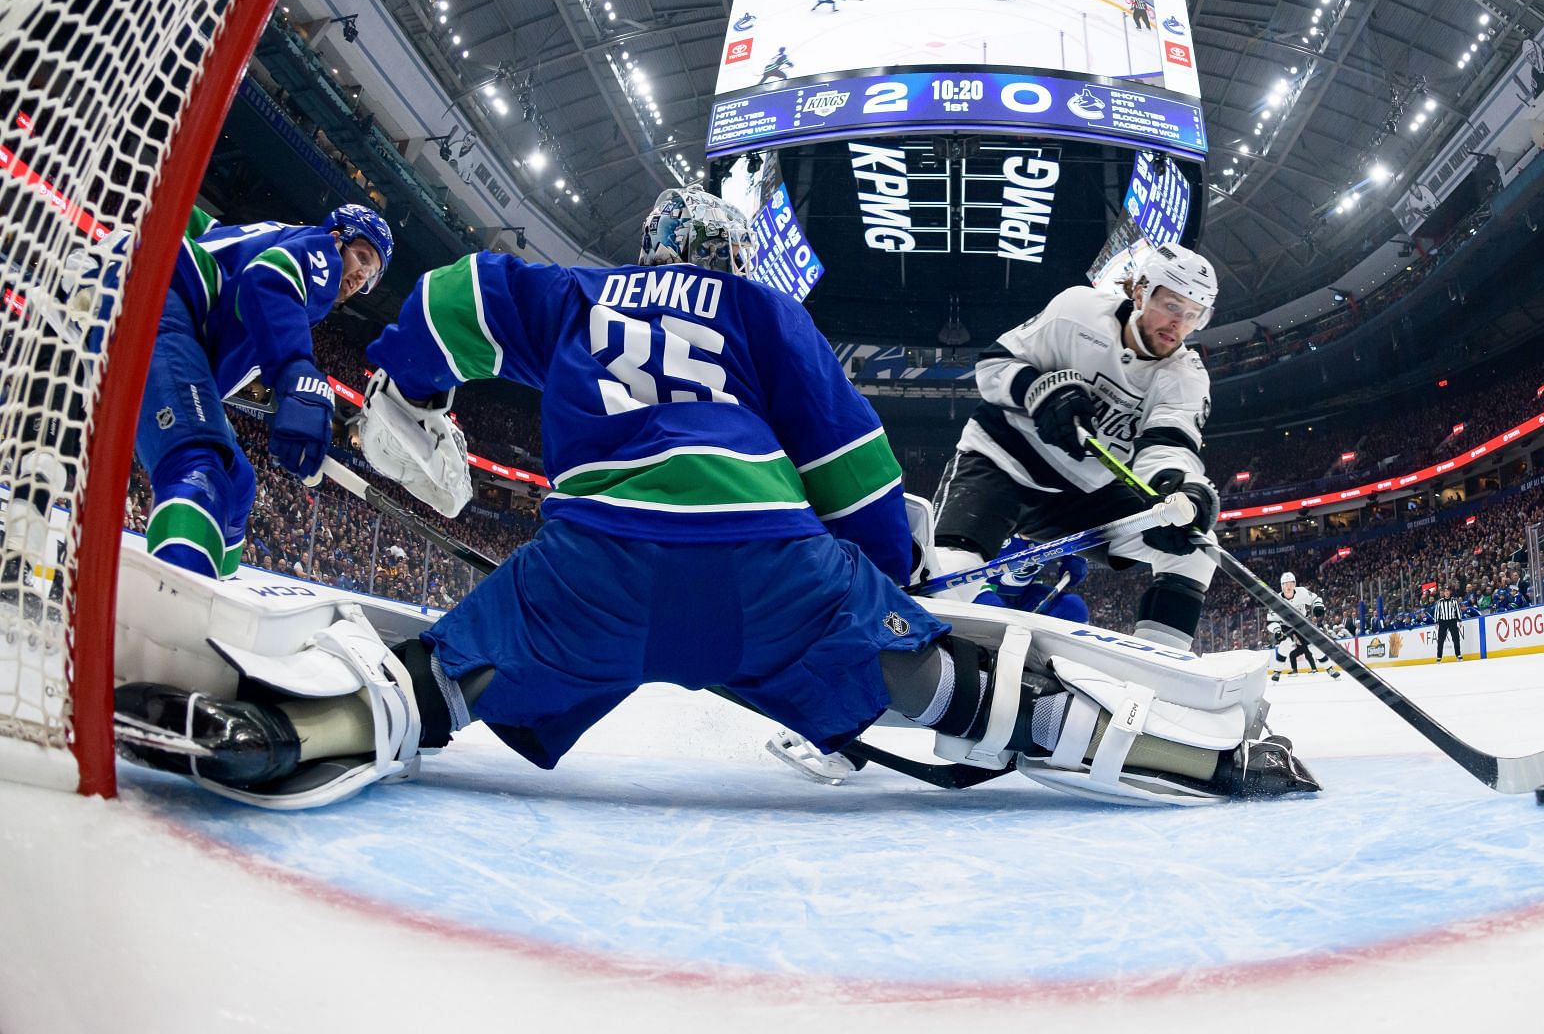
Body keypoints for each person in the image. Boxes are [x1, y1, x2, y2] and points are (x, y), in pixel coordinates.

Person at [116, 192, 1315, 809]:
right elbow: (852, 474)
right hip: (771, 573)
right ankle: (1198, 759)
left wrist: (414, 400)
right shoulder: (760, 313)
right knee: (954, 685)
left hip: (594, 569)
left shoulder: (577, 291)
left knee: (448, 675)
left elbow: (442, 310)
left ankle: (301, 731)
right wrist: (889, 581)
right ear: (732, 259)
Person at [929, 245, 1223, 650]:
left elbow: (1169, 446)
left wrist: (1180, 488)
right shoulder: (1077, 310)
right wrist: (1039, 390)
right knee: (951, 571)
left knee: (1194, 548)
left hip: (1083, 495)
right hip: (1000, 464)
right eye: (1172, 305)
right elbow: (992, 367)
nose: (1179, 324)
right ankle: (943, 664)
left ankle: (1157, 667)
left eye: (1194, 315)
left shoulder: (1185, 376)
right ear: (1139, 291)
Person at [135, 204, 391, 579]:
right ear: (339, 238)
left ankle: (215, 584)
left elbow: (201, 225)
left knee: (238, 481)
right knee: (199, 467)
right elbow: (267, 280)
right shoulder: (322, 250)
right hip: (159, 298)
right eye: (363, 258)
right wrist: (298, 373)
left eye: (370, 276)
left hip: (162, 300)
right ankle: (171, 606)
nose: (359, 278)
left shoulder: (279, 240)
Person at [1266, 571, 1332, 677]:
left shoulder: (1302, 592)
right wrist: (1277, 630)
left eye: (1291, 583)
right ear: (1282, 586)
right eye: (1286, 583)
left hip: (1301, 621)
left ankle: (1329, 668)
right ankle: (1277, 671)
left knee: (1313, 644)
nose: (1289, 586)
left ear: (1295, 583)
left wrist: (1318, 605)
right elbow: (1270, 621)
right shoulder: (1276, 601)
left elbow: (1315, 598)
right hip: (1285, 625)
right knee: (1285, 644)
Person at [1434, 580, 1466, 661]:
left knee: (1456, 638)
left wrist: (1459, 620)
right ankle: (1439, 656)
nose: (1447, 592)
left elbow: (1458, 611)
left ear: (1450, 592)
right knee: (1441, 639)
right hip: (1443, 622)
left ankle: (1458, 655)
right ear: (1444, 593)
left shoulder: (1454, 601)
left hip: (1452, 621)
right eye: (1445, 591)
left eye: (1448, 591)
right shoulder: (1440, 602)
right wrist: (1436, 622)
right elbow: (1437, 612)